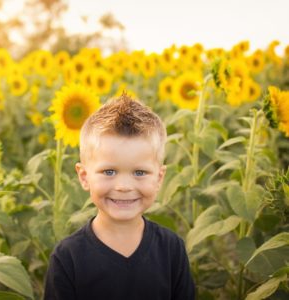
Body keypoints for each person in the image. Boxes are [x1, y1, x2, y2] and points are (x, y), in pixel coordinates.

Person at [44, 93, 195, 300]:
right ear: (84, 176)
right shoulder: (68, 257)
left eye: (139, 173)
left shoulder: (171, 250)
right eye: (109, 172)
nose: (124, 187)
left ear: (159, 178)